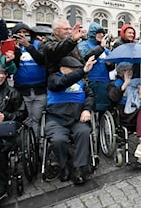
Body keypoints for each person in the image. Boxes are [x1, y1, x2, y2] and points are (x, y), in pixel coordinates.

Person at [45, 56, 96, 185]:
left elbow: (90, 96)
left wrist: (87, 109)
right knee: (58, 140)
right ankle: (64, 164)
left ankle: (79, 168)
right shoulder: (53, 79)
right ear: (62, 69)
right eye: (72, 69)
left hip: (77, 118)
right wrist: (82, 71)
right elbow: (61, 83)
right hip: (57, 119)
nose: (75, 72)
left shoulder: (82, 82)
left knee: (84, 132)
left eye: (76, 70)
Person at [107, 62, 141, 164]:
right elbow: (113, 98)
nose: (129, 72)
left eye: (130, 70)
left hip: (137, 110)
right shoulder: (114, 84)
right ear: (120, 73)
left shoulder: (137, 82)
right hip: (123, 112)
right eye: (125, 70)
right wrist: (124, 85)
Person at [0, 62, 27, 202]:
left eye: (3, 73)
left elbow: (23, 113)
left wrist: (6, 116)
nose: (1, 76)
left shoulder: (11, 93)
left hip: (5, 135)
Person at [11, 23, 46, 139]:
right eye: (19, 33)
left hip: (39, 90)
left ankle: (34, 145)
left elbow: (41, 60)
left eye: (25, 33)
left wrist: (28, 46)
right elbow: (12, 68)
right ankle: (24, 145)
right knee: (25, 119)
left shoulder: (39, 44)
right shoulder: (13, 46)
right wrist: (16, 52)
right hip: (22, 90)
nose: (22, 35)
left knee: (35, 119)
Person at [77, 22, 114, 112]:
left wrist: (110, 64)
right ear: (93, 34)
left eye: (103, 33)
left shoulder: (105, 49)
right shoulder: (84, 45)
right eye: (99, 33)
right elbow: (85, 58)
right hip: (91, 81)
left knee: (104, 107)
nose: (101, 35)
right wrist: (100, 47)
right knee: (92, 106)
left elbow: (111, 67)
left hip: (104, 82)